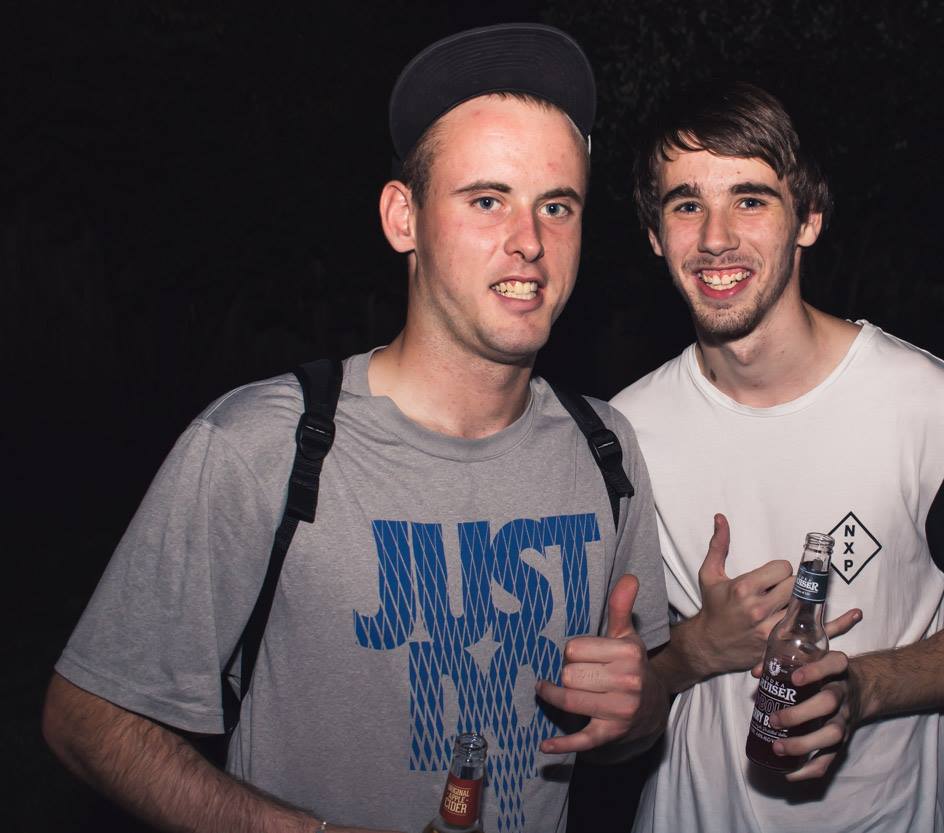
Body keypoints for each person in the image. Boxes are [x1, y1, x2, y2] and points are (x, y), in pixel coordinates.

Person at [42, 24, 670, 833]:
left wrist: (638, 707)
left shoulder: (606, 450)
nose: (529, 242)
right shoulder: (262, 448)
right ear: (403, 217)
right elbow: (88, 720)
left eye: (557, 206)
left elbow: (631, 727)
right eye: (487, 200)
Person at [612, 81, 944, 833]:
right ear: (655, 234)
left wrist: (865, 686)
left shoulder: (929, 407)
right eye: (686, 205)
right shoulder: (624, 433)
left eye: (750, 199)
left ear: (807, 218)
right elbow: (611, 715)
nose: (715, 237)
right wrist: (694, 650)